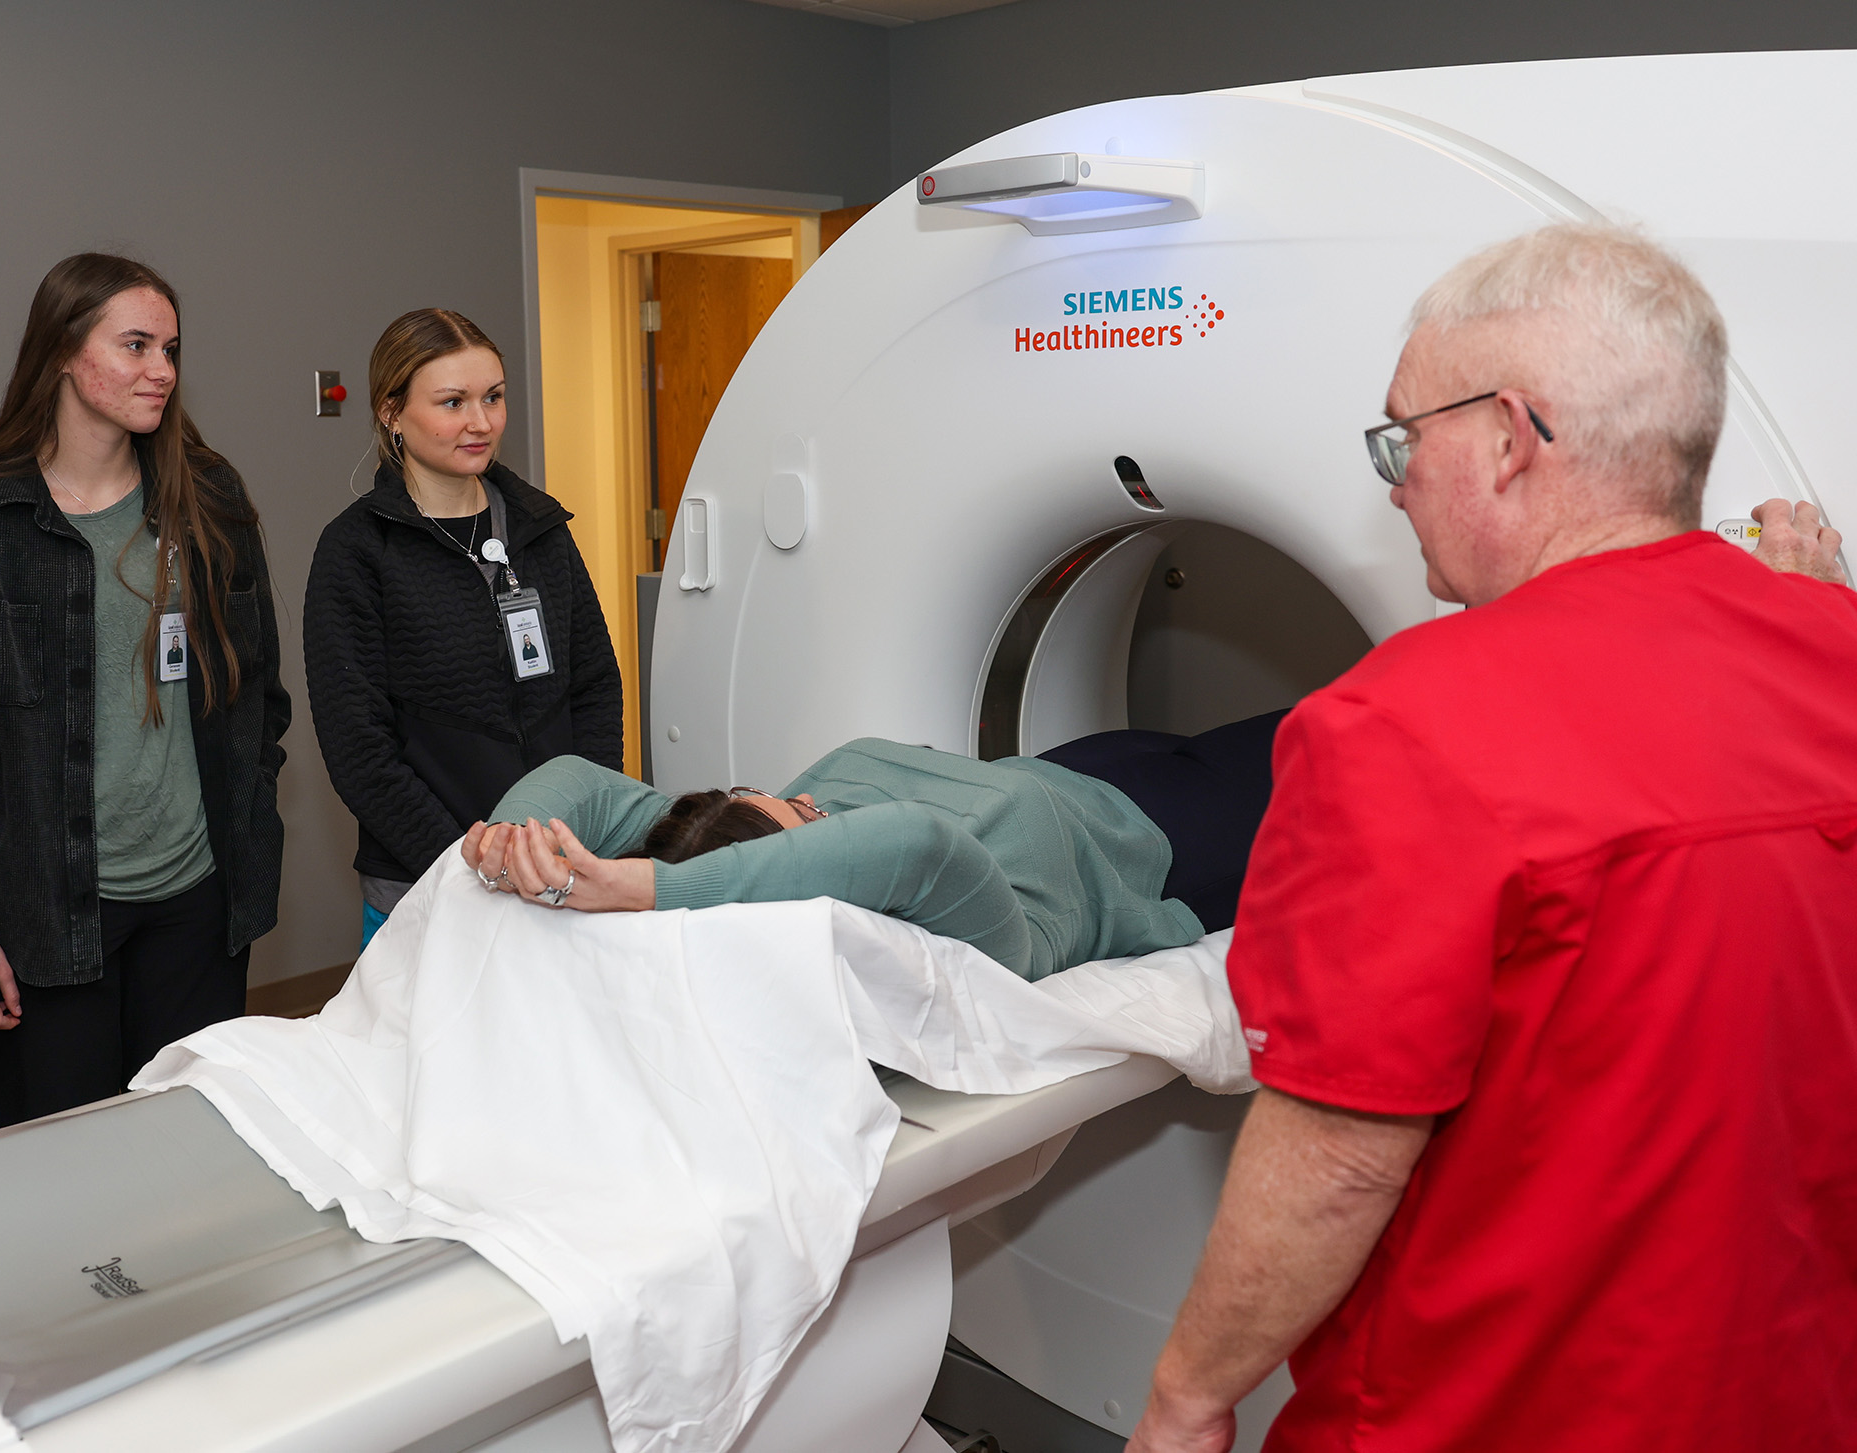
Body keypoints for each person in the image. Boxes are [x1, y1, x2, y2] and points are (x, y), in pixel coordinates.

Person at [1125, 225, 1857, 1453]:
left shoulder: (1394, 724)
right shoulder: (1832, 649)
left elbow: (1341, 1157)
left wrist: (1186, 1398)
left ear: (1512, 438)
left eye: (1405, 440)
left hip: (1494, 1407)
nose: (1397, 482)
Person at [0, 254, 291, 1127]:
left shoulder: (209, 494)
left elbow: (257, 688)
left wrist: (249, 802)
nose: (162, 369)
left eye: (172, 349)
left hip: (196, 903)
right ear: (64, 352)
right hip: (48, 915)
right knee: (61, 1170)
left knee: (186, 1151)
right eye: (136, 346)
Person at [461, 711, 1288, 980]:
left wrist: (508, 839)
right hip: (1176, 839)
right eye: (808, 823)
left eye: (776, 800)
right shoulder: (965, 917)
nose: (814, 801)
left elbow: (579, 776)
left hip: (1088, 765)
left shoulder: (746, 836)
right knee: (1381, 729)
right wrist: (652, 894)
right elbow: (914, 838)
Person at [305, 309, 624, 947]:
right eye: (453, 402)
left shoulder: (541, 531)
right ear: (392, 412)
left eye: (494, 398)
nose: (480, 422)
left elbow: (594, 688)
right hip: (427, 886)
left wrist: (575, 827)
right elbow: (360, 749)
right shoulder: (359, 551)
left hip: (557, 869)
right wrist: (471, 860)